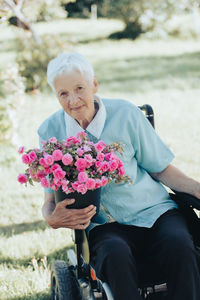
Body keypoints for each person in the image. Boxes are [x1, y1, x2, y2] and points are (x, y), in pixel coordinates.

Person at [38, 52, 200, 300]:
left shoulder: (126, 114)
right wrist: (52, 218)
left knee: (180, 245)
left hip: (155, 211)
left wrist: (196, 189)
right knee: (115, 255)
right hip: (106, 225)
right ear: (56, 95)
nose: (73, 100)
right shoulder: (50, 132)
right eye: (63, 93)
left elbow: (160, 168)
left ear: (94, 84)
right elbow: (50, 199)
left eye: (79, 88)